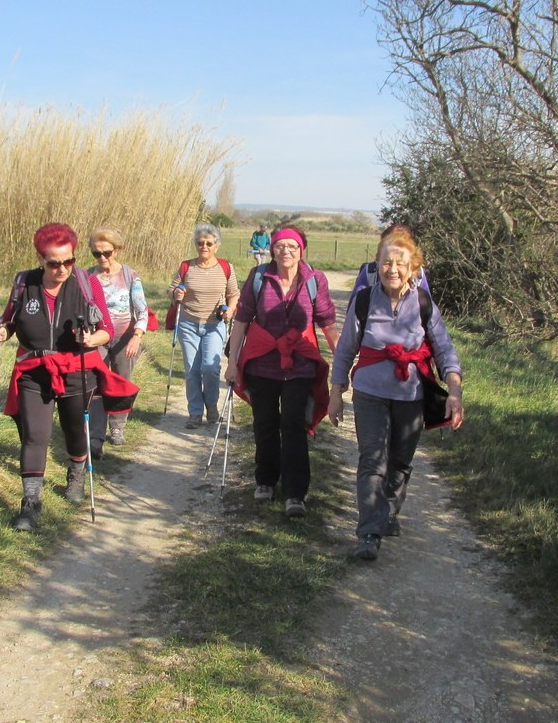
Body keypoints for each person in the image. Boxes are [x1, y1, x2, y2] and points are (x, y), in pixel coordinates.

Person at [0, 222, 139, 531]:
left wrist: (91, 339)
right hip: (35, 371)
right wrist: (1, 332)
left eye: (68, 261)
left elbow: (106, 331)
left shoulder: (86, 284)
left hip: (77, 370)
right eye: (54, 263)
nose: (62, 269)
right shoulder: (24, 283)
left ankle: (76, 472)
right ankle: (30, 503)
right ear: (40, 259)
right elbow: (9, 322)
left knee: (74, 430)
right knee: (35, 436)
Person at [327, 228, 464, 560]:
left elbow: (444, 350)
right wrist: (335, 392)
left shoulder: (422, 302)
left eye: (400, 263)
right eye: (386, 262)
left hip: (411, 394)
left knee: (400, 461)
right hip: (369, 392)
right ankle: (368, 533)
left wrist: (455, 392)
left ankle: (388, 511)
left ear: (413, 267)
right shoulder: (363, 300)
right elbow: (345, 350)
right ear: (378, 263)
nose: (393, 269)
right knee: (372, 460)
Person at [225, 226, 339, 518]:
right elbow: (241, 320)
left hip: (299, 365)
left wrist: (342, 360)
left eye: (291, 246)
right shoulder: (259, 277)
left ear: (301, 249)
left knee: (292, 425)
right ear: (272, 248)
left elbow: (327, 323)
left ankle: (295, 493)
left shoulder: (315, 280)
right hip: (262, 363)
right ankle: (265, 480)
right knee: (264, 423)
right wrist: (232, 361)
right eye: (279, 246)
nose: (285, 251)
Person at [86, 228, 151, 458]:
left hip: (125, 337)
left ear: (117, 250)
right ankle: (96, 436)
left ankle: (118, 427)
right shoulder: (87, 277)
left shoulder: (129, 275)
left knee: (121, 381)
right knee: (96, 385)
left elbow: (142, 309)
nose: (102, 258)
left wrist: (137, 335)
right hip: (97, 338)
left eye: (107, 252)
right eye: (96, 254)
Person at [167, 223, 240, 429]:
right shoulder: (186, 267)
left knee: (210, 368)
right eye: (200, 243)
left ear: (217, 246)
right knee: (192, 370)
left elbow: (234, 293)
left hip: (214, 325)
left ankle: (212, 407)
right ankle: (195, 413)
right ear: (196, 245)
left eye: (209, 243)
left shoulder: (226, 267)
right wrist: (176, 294)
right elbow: (171, 290)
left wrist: (231, 309)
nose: (204, 247)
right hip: (188, 323)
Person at [348, 223, 430, 306]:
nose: (393, 270)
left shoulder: (418, 274)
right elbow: (354, 308)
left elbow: (428, 308)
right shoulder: (369, 272)